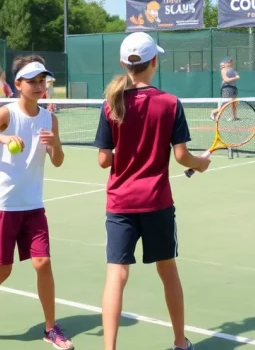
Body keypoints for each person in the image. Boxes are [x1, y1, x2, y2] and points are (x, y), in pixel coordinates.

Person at [93, 33, 210, 350]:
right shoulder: (170, 103)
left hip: (120, 203)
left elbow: (104, 160)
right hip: (156, 202)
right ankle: (179, 343)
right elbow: (182, 156)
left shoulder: (111, 104)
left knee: (116, 276)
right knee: (168, 272)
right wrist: (201, 164)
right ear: (154, 62)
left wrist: (128, 154)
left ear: (123, 64)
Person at [0, 55, 72, 350]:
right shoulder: (6, 113)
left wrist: (56, 145)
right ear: (18, 84)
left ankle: (51, 328)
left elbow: (58, 162)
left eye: (41, 81)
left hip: (33, 204)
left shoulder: (50, 118)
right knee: (3, 270)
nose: (38, 86)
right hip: (4, 204)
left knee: (43, 263)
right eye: (32, 81)